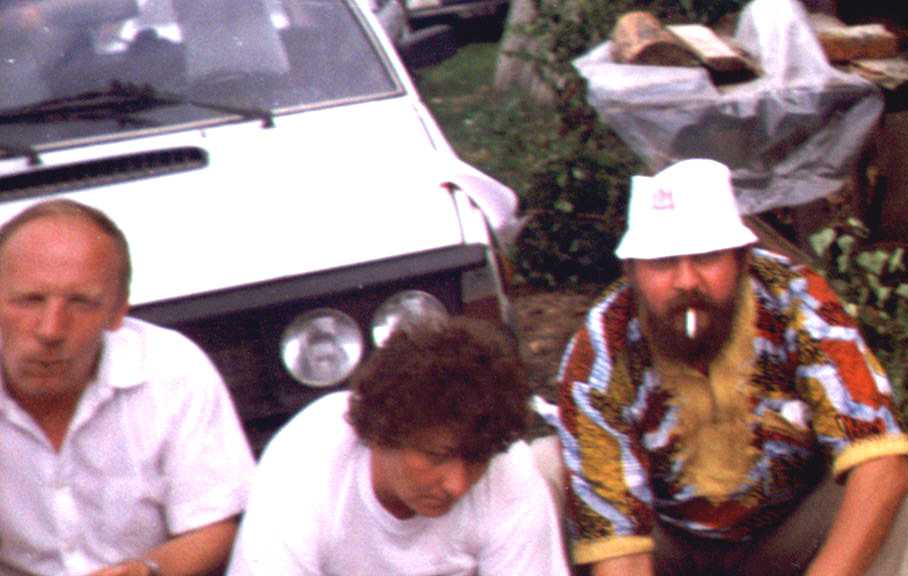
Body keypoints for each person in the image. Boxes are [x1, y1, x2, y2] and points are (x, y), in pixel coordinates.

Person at [546, 158, 908, 576]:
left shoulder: (796, 299)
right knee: (544, 467)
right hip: (664, 545)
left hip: (787, 535)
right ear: (632, 271)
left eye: (707, 257)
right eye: (662, 262)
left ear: (742, 260)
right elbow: (619, 551)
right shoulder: (603, 346)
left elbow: (880, 463)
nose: (687, 282)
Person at [0, 198, 254, 576]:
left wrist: (147, 571)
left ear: (118, 311)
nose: (51, 329)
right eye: (29, 300)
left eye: (81, 303)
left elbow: (217, 524)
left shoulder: (172, 370)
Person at [225, 314, 568, 576]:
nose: (457, 484)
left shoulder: (510, 466)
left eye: (477, 460)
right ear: (380, 432)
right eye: (437, 456)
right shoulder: (306, 458)